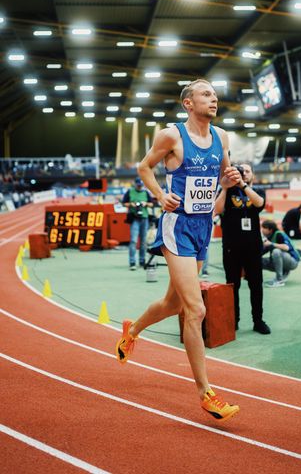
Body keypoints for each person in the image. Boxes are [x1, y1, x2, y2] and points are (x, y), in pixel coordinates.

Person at [115, 79, 241, 422]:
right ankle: (206, 393)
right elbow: (144, 167)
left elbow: (219, 193)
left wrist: (227, 185)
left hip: (203, 227)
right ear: (188, 103)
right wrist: (159, 194)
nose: (213, 99)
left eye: (215, 94)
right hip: (177, 227)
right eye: (205, 94)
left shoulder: (223, 138)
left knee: (173, 303)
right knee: (195, 309)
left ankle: (132, 330)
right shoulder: (171, 136)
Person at [214, 163, 271, 335]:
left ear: (252, 175)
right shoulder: (227, 191)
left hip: (253, 246)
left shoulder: (257, 191)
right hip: (231, 246)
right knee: (232, 285)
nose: (243, 174)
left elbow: (259, 204)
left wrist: (243, 186)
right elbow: (217, 210)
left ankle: (258, 320)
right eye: (240, 171)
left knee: (256, 285)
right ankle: (234, 320)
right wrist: (224, 188)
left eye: (247, 171)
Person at [122, 177, 153, 270]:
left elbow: (151, 204)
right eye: (138, 185)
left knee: (143, 241)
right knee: (133, 241)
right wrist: (131, 204)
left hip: (144, 218)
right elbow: (124, 203)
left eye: (141, 185)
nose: (139, 187)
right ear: (135, 184)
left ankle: (142, 261)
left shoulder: (146, 192)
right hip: (134, 218)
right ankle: (132, 262)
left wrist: (145, 203)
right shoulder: (130, 192)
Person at [261, 220, 300, 287]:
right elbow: (262, 251)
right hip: (283, 260)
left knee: (276, 251)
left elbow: (286, 247)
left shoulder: (279, 234)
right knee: (257, 260)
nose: (262, 230)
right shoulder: (269, 237)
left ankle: (279, 280)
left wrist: (271, 244)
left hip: (293, 261)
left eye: (264, 228)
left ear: (270, 229)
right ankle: (284, 272)